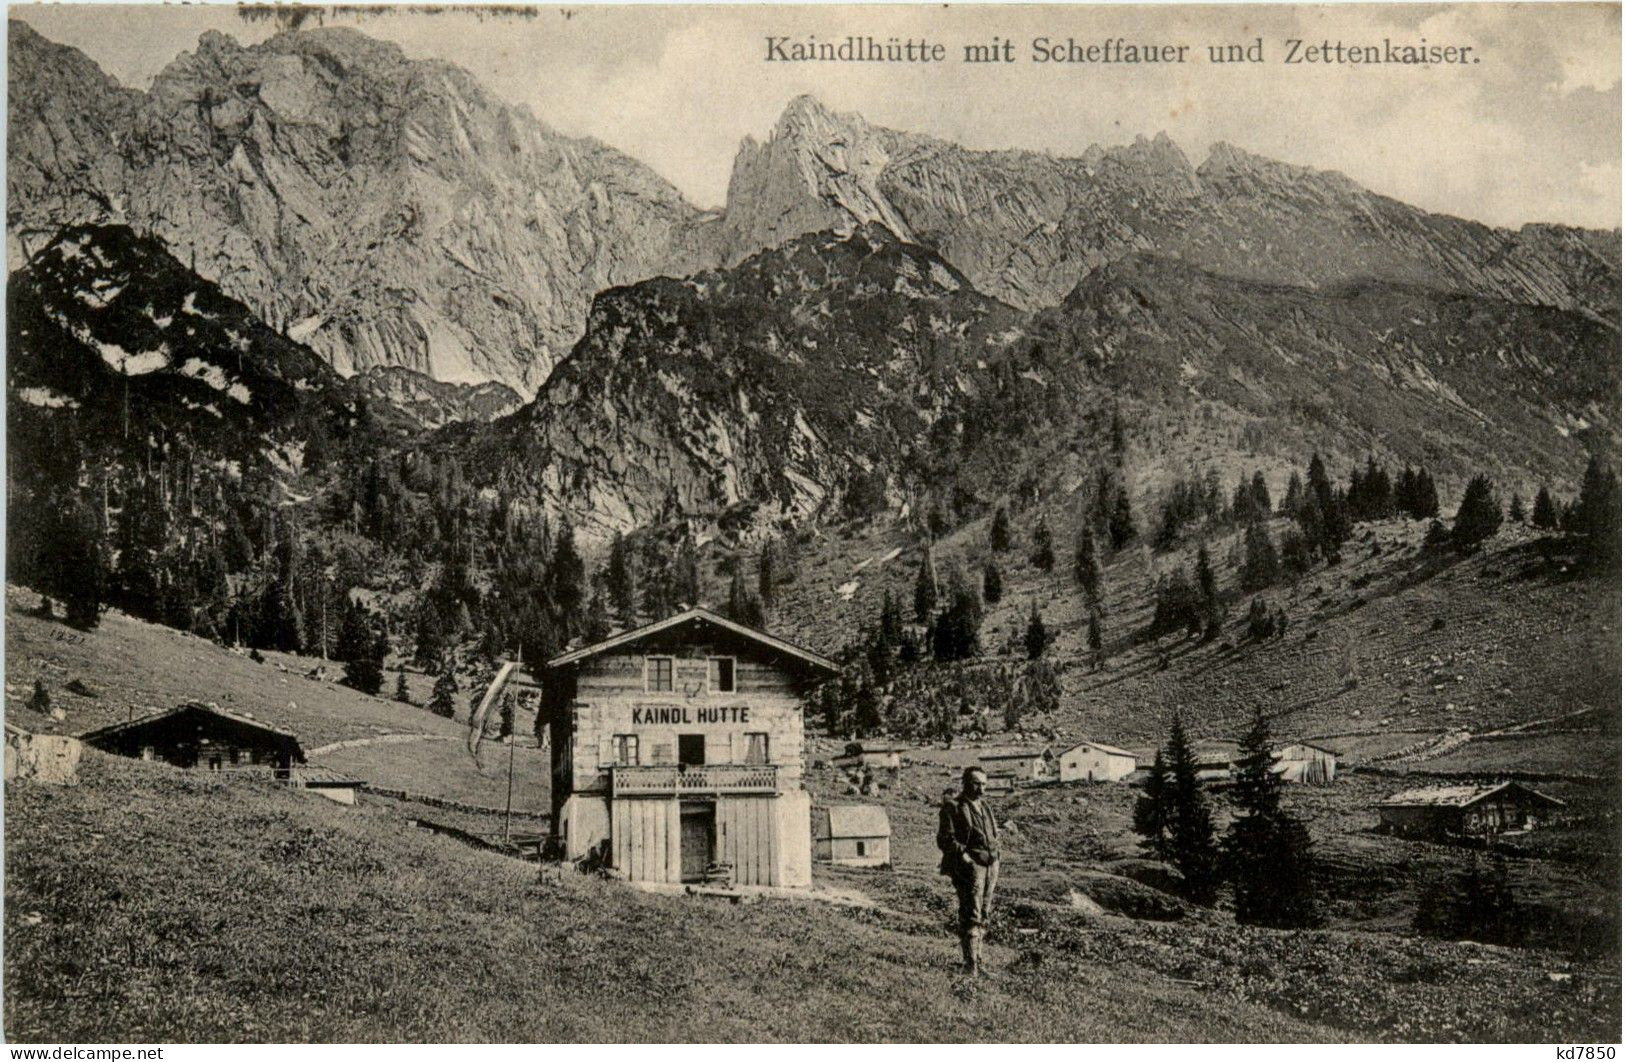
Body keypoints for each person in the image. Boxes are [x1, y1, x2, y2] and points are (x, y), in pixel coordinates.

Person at [937, 765, 1000, 975]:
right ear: (965, 783)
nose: (981, 789)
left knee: (984, 912)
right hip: (970, 867)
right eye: (976, 784)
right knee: (971, 913)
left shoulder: (985, 807)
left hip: (991, 865)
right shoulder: (953, 807)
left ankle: (978, 963)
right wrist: (965, 857)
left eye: (984, 784)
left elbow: (993, 835)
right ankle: (970, 965)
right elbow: (945, 839)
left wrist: (996, 857)